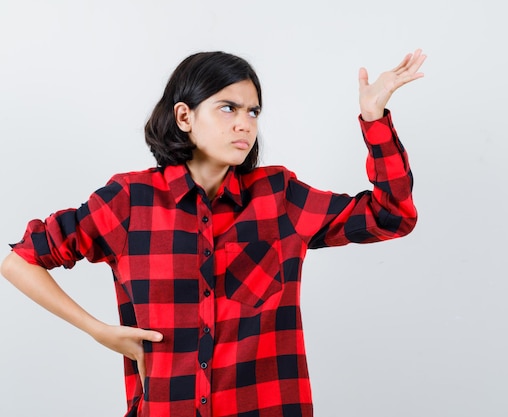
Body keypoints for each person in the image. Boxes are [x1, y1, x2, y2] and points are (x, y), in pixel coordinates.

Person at [1, 49, 426, 417]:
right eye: (228, 108)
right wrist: (99, 331)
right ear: (184, 116)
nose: (244, 123)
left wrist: (374, 119)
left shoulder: (279, 198)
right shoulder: (129, 201)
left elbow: (391, 216)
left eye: (252, 112)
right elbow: (21, 259)